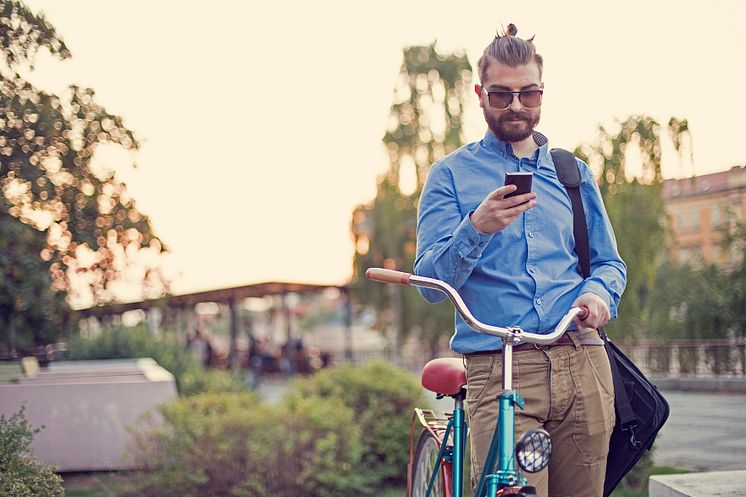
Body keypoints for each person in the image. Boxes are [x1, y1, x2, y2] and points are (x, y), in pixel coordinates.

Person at [414, 24, 627, 497]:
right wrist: (477, 227)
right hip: (500, 364)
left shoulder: (572, 173)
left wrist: (597, 294)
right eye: (502, 94)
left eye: (528, 93)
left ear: (541, 94)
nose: (515, 105)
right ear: (480, 94)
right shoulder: (450, 175)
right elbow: (429, 284)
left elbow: (610, 264)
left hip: (581, 356)